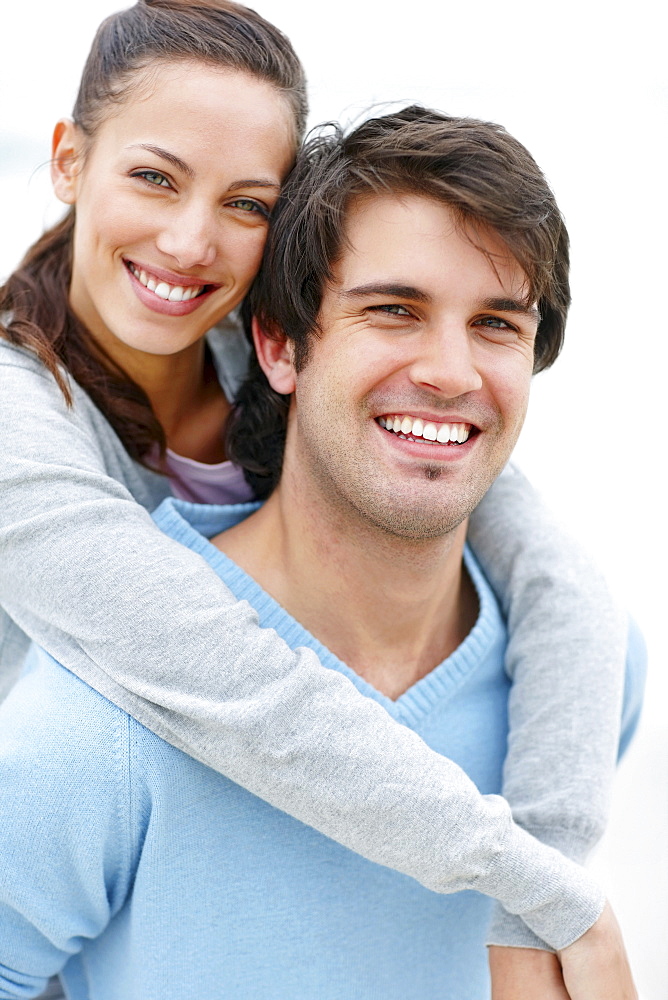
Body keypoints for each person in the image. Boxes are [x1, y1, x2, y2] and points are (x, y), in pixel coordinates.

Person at [0, 0, 642, 992]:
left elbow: (523, 537)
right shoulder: (21, 437)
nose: (187, 241)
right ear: (70, 162)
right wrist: (537, 884)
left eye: (246, 204)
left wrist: (544, 868)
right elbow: (234, 684)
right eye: (154, 176)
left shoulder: (239, 342)